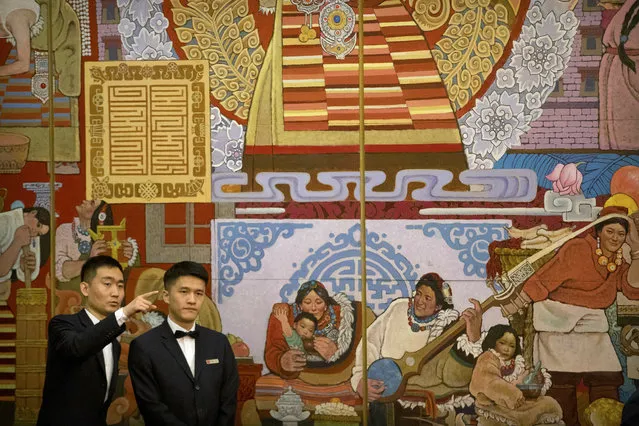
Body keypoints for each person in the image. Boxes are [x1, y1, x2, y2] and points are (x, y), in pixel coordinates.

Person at [505, 206, 639, 425]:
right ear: (598, 230)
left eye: (621, 233)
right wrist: (516, 303)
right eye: (610, 231)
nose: (615, 238)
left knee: (607, 380)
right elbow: (543, 279)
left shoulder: (617, 261)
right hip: (559, 328)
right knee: (561, 389)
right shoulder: (577, 248)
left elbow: (633, 289)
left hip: (593, 330)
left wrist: (635, 250)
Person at [37, 255, 158, 426]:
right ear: (85, 289)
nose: (116, 293)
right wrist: (124, 313)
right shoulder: (62, 324)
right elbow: (77, 347)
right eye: (107, 284)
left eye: (120, 285)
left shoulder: (113, 338)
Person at [350, 272, 485, 426]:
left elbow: (455, 374)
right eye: (419, 294)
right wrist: (360, 377)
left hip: (418, 401)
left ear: (438, 306)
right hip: (384, 389)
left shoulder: (446, 326)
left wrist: (473, 338)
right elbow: (369, 342)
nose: (420, 301)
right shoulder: (399, 307)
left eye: (428, 298)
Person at [128, 261, 239, 426]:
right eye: (184, 292)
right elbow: (151, 406)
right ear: (166, 296)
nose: (192, 300)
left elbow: (229, 399)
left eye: (199, 293)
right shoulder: (144, 346)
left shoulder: (219, 343)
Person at [469, 324, 562, 426]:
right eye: (502, 343)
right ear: (493, 341)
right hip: (495, 403)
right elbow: (488, 381)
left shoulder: (517, 363)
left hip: (519, 402)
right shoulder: (488, 357)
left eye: (511, 346)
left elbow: (524, 382)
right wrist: (512, 394)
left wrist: (534, 380)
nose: (507, 349)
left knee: (548, 403)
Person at [265, 280, 359, 378]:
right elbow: (272, 351)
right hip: (301, 376)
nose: (313, 308)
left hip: (334, 375)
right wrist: (281, 361)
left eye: (319, 302)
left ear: (326, 305)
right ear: (300, 305)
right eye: (307, 302)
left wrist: (337, 354)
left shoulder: (342, 314)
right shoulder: (285, 315)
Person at [0, 206, 50, 301]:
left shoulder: (32, 236)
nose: (35, 232)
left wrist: (23, 267)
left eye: (39, 233)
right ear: (33, 213)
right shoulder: (3, 221)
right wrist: (17, 242)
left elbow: (27, 274)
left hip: (4, 291)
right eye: (38, 225)